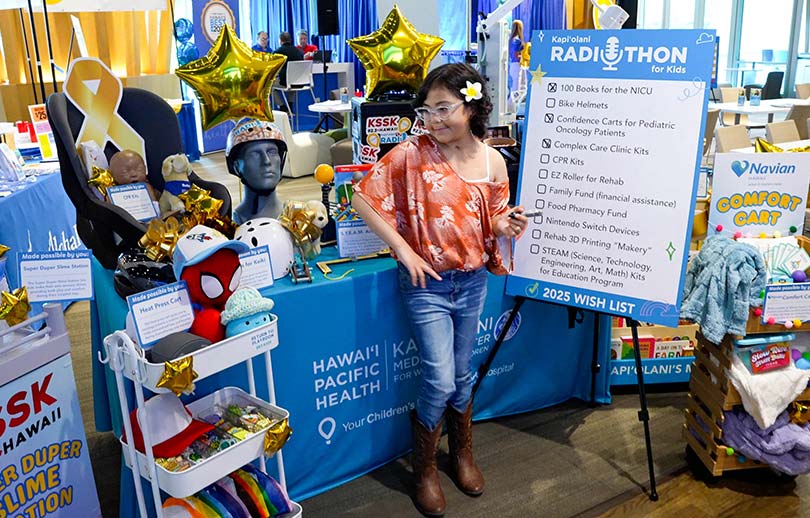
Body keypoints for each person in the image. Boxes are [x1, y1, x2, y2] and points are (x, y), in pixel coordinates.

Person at [352, 63, 528, 517]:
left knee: (463, 373)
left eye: (443, 108)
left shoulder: (492, 161)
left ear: (471, 107)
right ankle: (426, 469)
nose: (433, 120)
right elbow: (362, 197)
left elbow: (494, 220)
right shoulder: (411, 153)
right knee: (441, 377)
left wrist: (507, 225)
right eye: (426, 110)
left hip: (471, 281)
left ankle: (462, 454)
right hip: (426, 285)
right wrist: (403, 251)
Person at [225, 118, 287, 224]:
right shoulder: (231, 226)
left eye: (272, 152)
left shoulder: (296, 218)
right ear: (236, 166)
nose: (266, 161)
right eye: (254, 154)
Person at [509, 20, 524, 91]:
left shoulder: (510, 40)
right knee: (516, 86)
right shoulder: (517, 41)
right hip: (517, 64)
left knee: (513, 85)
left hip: (511, 63)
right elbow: (516, 54)